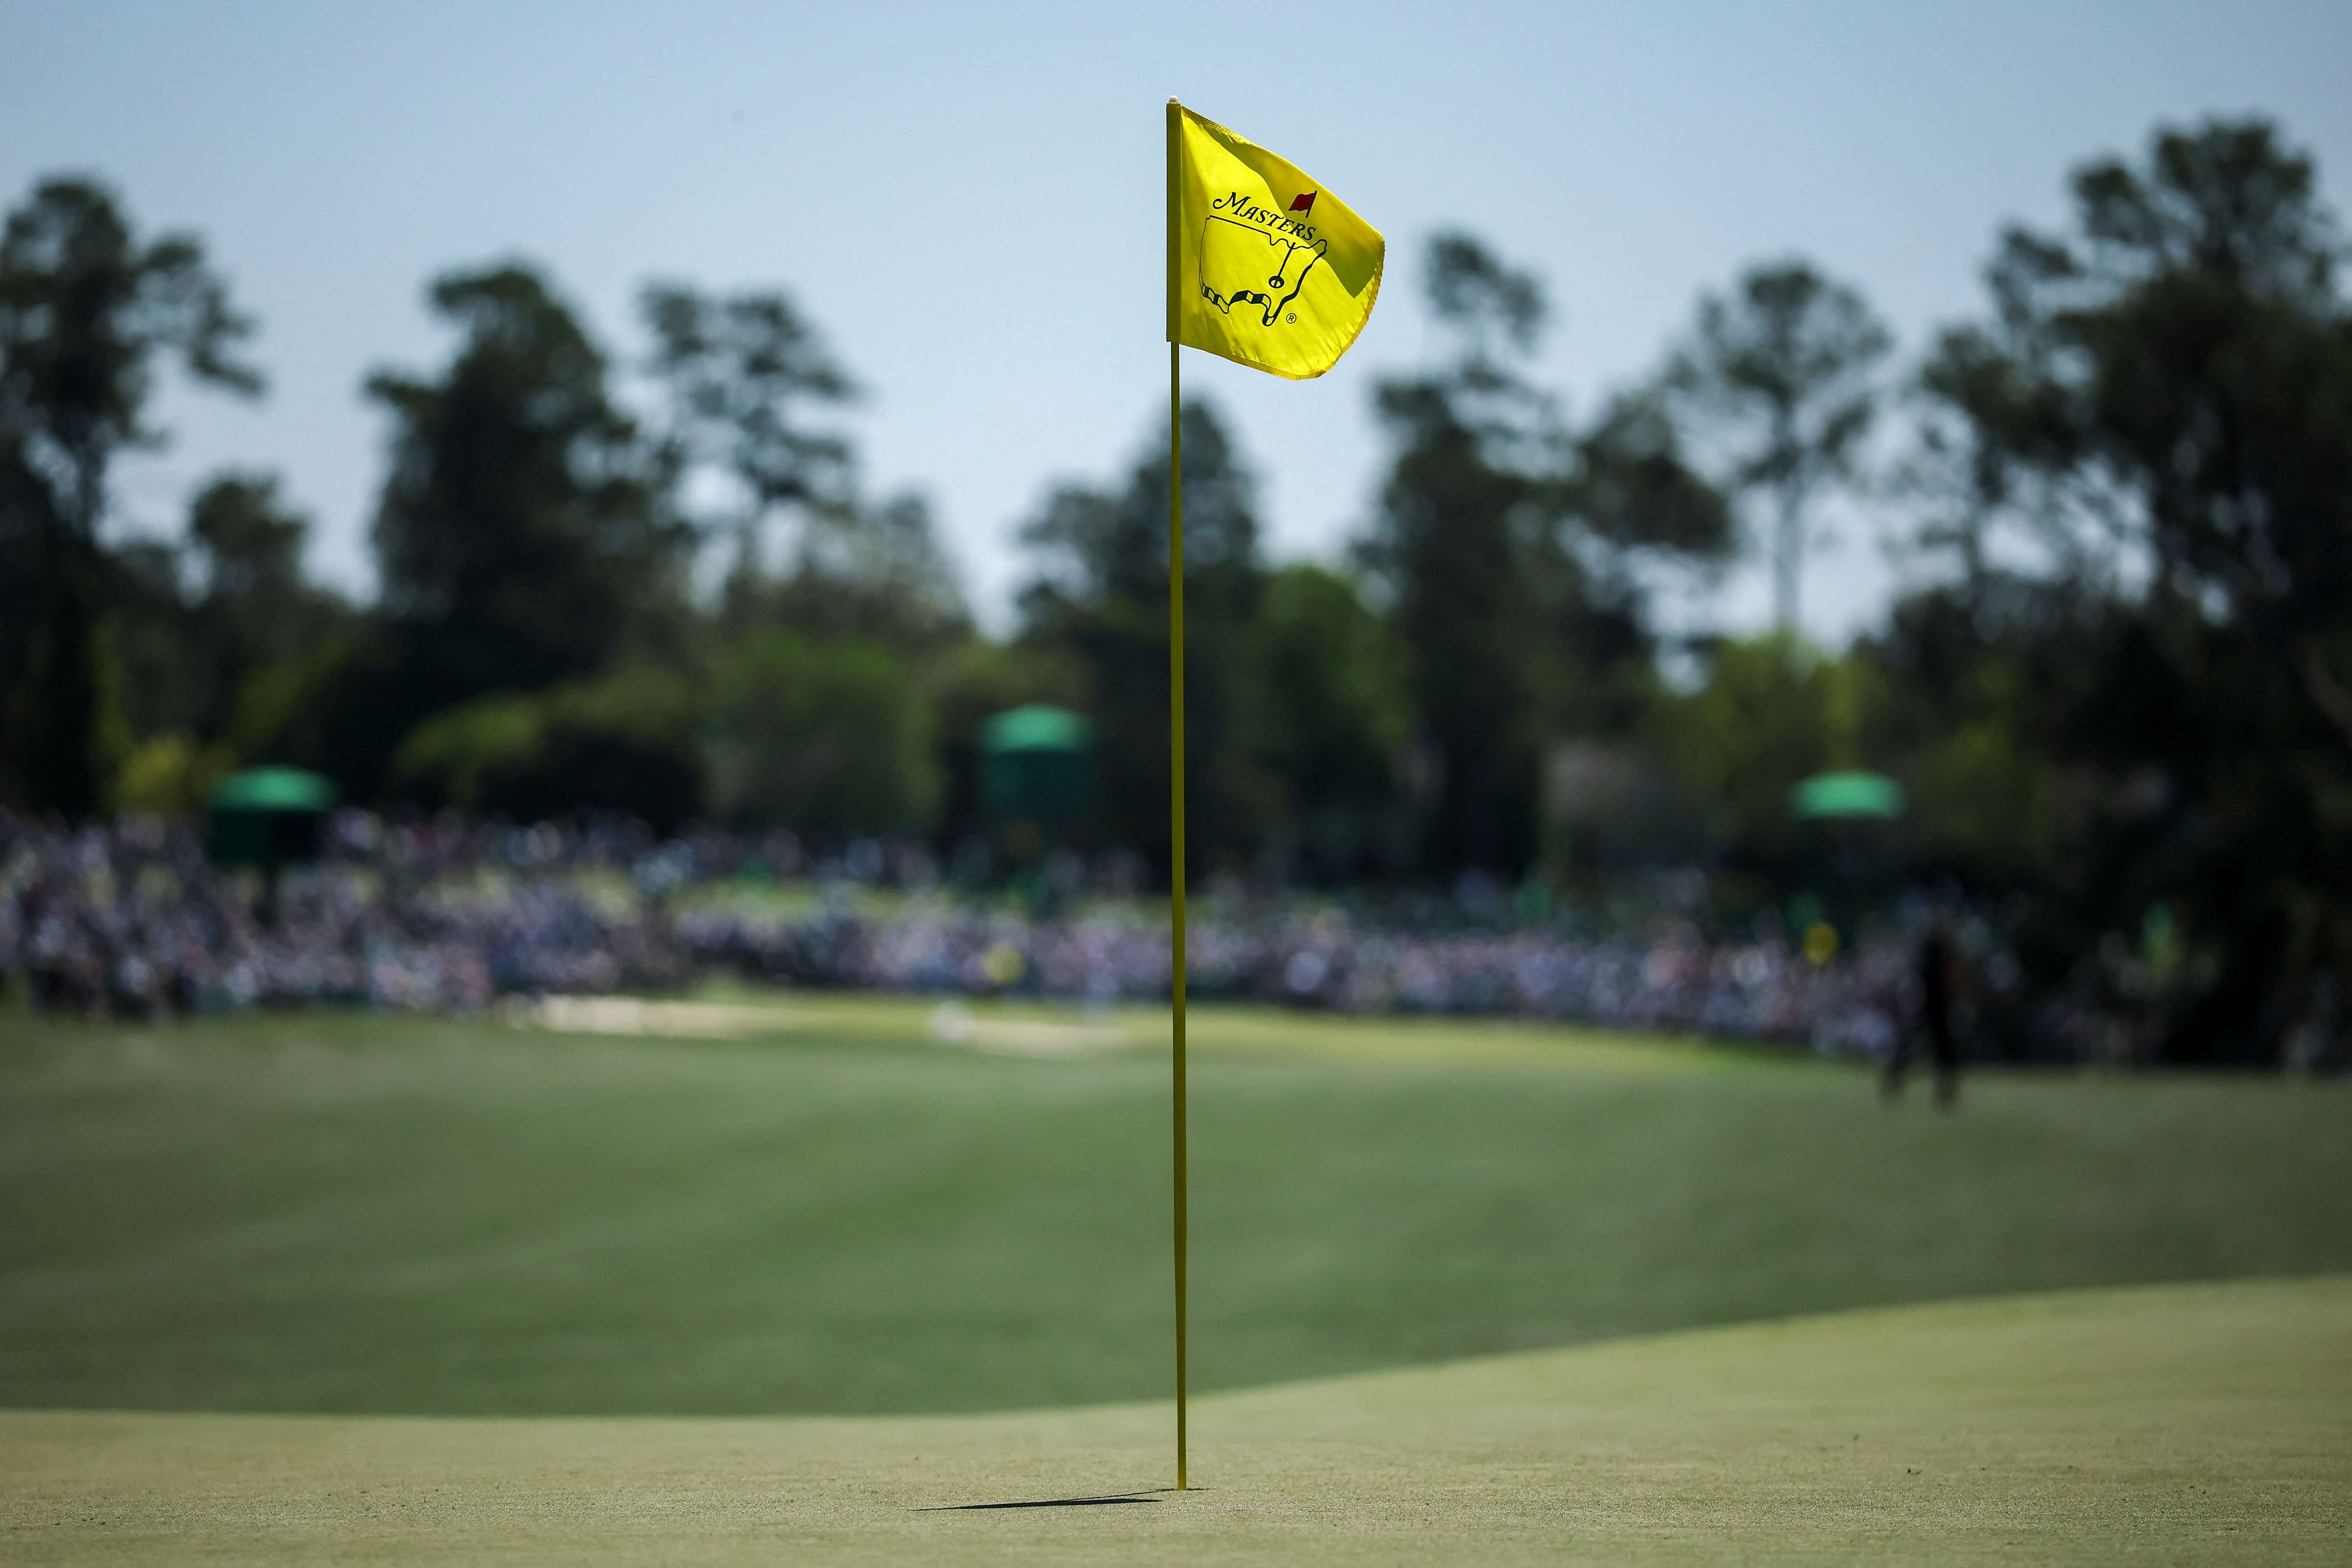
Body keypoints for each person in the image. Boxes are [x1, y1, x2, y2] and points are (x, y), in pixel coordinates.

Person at [1884, 928, 1961, 1107]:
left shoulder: (1928, 959)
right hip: (1935, 1011)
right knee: (1941, 1053)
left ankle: (1897, 1077)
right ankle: (1945, 1091)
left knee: (1921, 1050)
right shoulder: (1937, 958)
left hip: (1930, 1011)